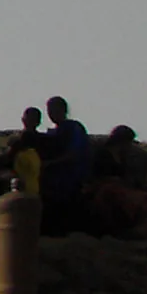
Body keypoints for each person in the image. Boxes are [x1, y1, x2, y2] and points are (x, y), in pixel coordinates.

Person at [38, 96, 91, 234]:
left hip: (71, 176)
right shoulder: (53, 133)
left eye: (54, 109)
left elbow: (75, 153)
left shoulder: (74, 128)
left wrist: (52, 163)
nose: (51, 113)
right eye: (49, 110)